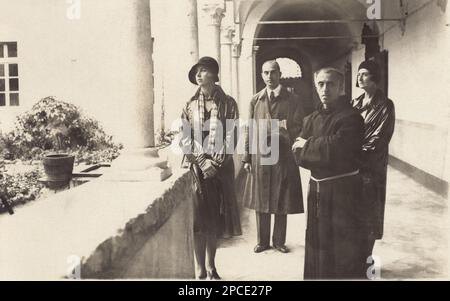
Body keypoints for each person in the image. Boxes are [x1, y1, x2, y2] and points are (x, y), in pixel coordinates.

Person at [292, 67, 367, 279]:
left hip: (343, 193)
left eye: (331, 84)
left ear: (341, 87)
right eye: (321, 84)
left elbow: (341, 149)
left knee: (343, 247)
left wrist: (308, 145)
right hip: (316, 190)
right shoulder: (311, 119)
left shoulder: (352, 118)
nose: (325, 89)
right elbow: (298, 154)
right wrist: (315, 150)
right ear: (316, 87)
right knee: (318, 243)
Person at [180, 56, 241, 280]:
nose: (198, 74)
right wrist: (202, 161)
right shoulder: (189, 105)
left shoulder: (229, 104)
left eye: (204, 70)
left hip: (220, 169)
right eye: (197, 71)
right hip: (197, 169)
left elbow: (232, 135)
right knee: (198, 221)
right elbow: (185, 138)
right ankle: (199, 269)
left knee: (214, 219)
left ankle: (211, 266)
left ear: (214, 75)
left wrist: (215, 162)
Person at [243, 60, 304, 254]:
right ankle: (262, 241)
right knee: (261, 199)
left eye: (273, 72)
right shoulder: (255, 100)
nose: (269, 77)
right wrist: (246, 157)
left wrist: (279, 130)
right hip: (260, 156)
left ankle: (279, 241)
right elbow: (250, 129)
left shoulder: (293, 99)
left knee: (281, 197)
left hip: (283, 155)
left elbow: (298, 126)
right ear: (262, 75)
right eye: (265, 73)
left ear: (280, 74)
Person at [352, 60, 395, 263]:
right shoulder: (355, 103)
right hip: (352, 166)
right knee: (353, 210)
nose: (359, 77)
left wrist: (354, 152)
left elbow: (380, 138)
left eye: (365, 74)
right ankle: (354, 257)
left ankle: (367, 258)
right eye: (359, 74)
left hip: (372, 167)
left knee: (371, 211)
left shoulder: (385, 105)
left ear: (375, 77)